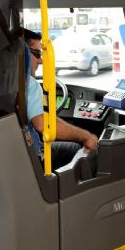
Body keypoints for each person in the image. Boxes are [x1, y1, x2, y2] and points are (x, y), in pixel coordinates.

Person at [23, 29, 98, 168]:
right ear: (23, 52)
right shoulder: (29, 84)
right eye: (37, 54)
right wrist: (85, 136)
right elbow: (43, 124)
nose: (41, 61)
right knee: (77, 149)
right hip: (32, 156)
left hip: (16, 152)